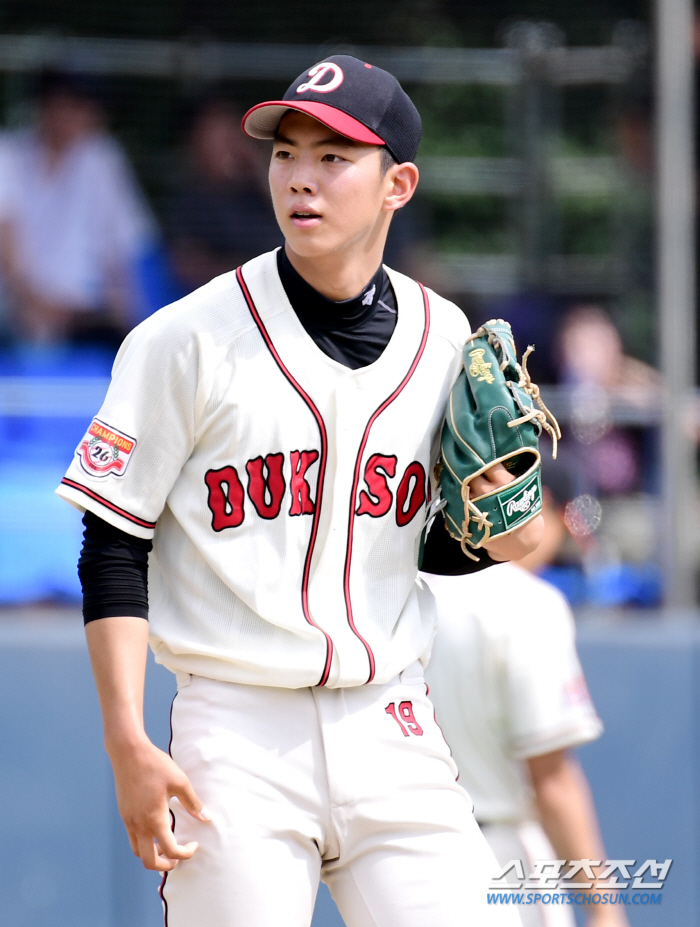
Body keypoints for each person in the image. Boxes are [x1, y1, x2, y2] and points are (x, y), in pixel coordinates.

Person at [57, 55, 543, 926]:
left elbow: (468, 543)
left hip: (391, 719)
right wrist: (126, 735)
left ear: (398, 183)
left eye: (333, 157)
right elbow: (113, 541)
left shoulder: (444, 338)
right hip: (236, 730)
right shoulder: (185, 337)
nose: (300, 179)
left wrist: (504, 512)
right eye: (287, 153)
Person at [422, 485, 630, 927]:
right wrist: (603, 906)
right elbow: (552, 780)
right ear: (539, 506)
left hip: (402, 861)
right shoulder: (529, 604)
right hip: (501, 862)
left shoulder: (402, 590)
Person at [0, 70, 156, 348]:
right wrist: (33, 304)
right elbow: (6, 241)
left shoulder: (102, 157)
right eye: (70, 104)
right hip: (17, 308)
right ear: (45, 105)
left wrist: (134, 320)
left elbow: (124, 247)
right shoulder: (8, 153)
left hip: (83, 312)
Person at [165, 96, 281, 295]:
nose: (229, 142)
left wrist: (260, 167)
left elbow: (294, 217)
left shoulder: (257, 190)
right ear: (196, 143)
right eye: (217, 134)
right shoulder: (192, 202)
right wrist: (261, 274)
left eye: (233, 132)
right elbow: (188, 268)